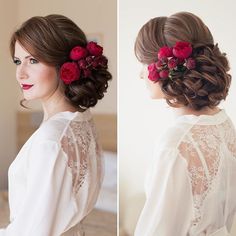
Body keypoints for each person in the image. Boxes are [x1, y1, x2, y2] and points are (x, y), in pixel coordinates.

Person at [0, 14, 112, 236]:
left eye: (33, 60)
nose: (20, 73)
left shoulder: (51, 141)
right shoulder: (82, 122)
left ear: (63, 65)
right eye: (17, 61)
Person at [134, 12, 236, 236]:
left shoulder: (176, 145)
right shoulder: (224, 125)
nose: (140, 74)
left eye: (143, 63)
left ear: (164, 67)